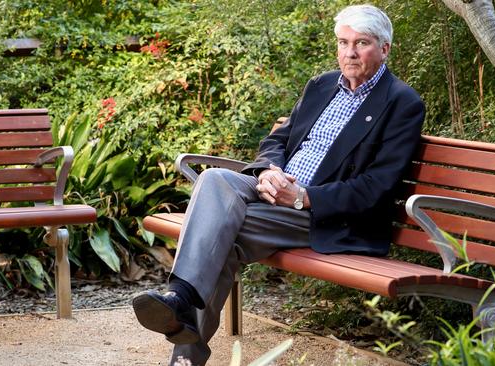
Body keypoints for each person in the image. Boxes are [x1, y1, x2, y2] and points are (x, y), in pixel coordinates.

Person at [132, 4, 425, 365]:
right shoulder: (320, 86)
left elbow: (375, 187)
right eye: (343, 42)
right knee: (213, 177)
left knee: (223, 238)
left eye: (361, 43)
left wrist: (303, 196)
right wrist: (269, 171)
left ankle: (183, 343)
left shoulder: (401, 103)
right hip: (272, 192)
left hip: (322, 215)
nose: (349, 53)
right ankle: (180, 296)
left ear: (384, 49)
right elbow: (278, 141)